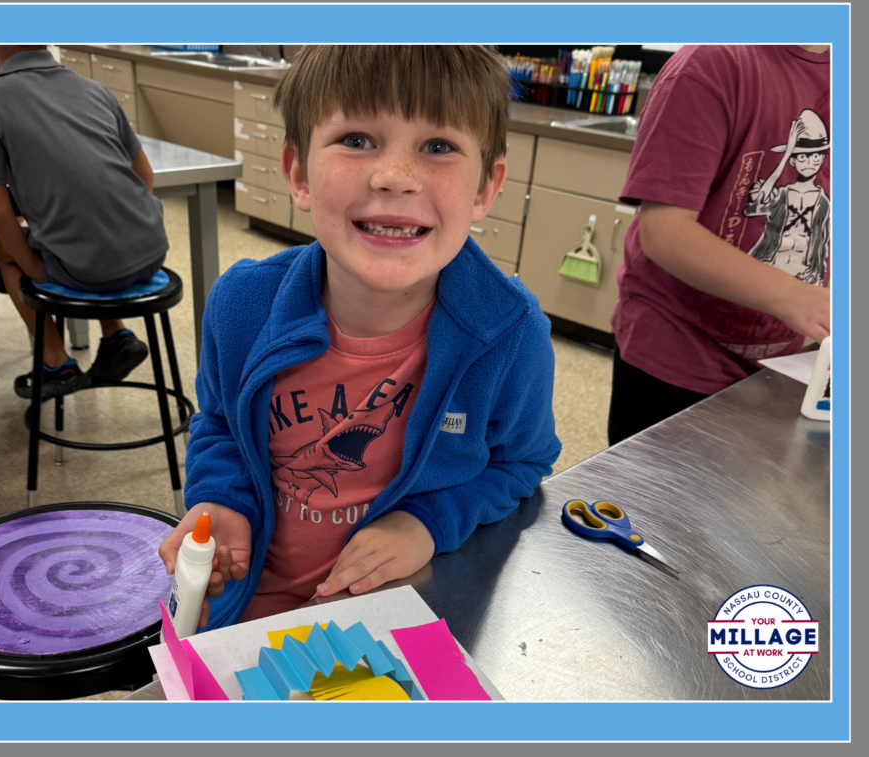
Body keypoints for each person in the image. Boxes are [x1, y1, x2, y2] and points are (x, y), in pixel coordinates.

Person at [158, 45, 561, 631]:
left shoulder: (510, 336)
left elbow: (523, 464)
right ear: (298, 173)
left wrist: (428, 522)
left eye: (439, 146)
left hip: (393, 623)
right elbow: (219, 423)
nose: (394, 177)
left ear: (484, 188)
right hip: (242, 613)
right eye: (357, 139)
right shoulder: (242, 305)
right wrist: (222, 500)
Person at [607, 45, 830, 446]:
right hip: (678, 357)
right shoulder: (712, 63)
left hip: (786, 364)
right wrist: (799, 298)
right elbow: (665, 232)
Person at [0, 45, 169, 399]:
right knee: (92, 235)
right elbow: (143, 173)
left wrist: (34, 268)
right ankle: (116, 335)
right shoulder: (93, 88)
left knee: (1, 248)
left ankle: (55, 362)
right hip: (151, 251)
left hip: (90, 268)